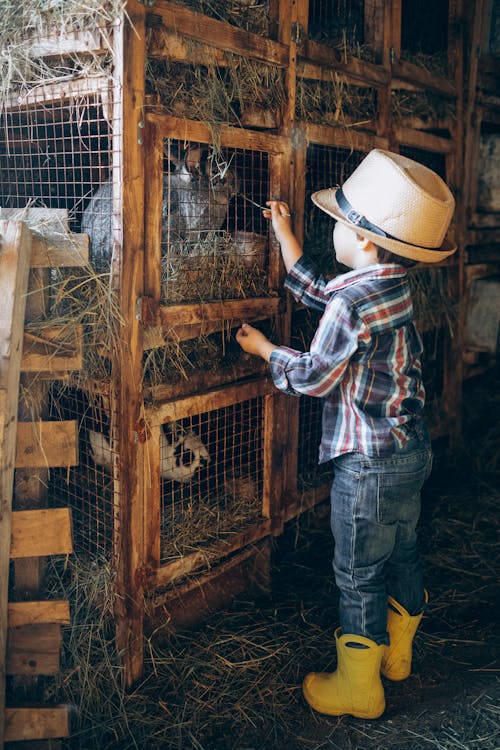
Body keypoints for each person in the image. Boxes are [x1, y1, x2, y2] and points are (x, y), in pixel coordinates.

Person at [235, 149, 456, 719]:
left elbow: (313, 374)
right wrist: (285, 237)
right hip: (411, 452)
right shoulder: (393, 287)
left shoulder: (352, 303)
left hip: (367, 464)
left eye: (338, 223)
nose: (332, 229)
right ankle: (397, 656)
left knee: (357, 574)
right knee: (402, 550)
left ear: (361, 240)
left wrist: (265, 349)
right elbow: (331, 298)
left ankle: (360, 691)